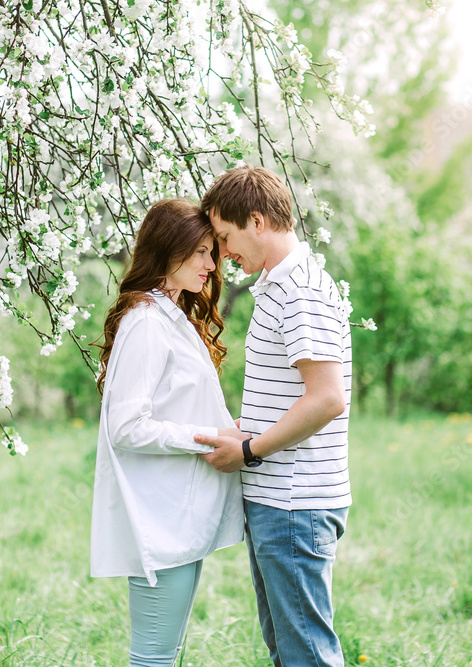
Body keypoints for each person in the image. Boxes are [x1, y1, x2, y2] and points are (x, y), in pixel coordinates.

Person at [195, 165, 353, 667]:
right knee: (288, 650)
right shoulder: (278, 286)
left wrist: (248, 450)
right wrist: (249, 430)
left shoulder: (300, 291)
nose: (222, 253)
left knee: (306, 655)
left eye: (225, 237)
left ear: (257, 221)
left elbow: (327, 398)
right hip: (279, 501)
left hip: (294, 503)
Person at [90, 198, 245, 667]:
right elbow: (126, 427)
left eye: (211, 251)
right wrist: (207, 438)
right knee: (153, 660)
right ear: (167, 250)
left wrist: (230, 429)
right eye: (199, 252)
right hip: (159, 521)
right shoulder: (145, 322)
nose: (211, 263)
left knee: (163, 656)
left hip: (178, 516)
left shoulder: (168, 316)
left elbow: (182, 402)